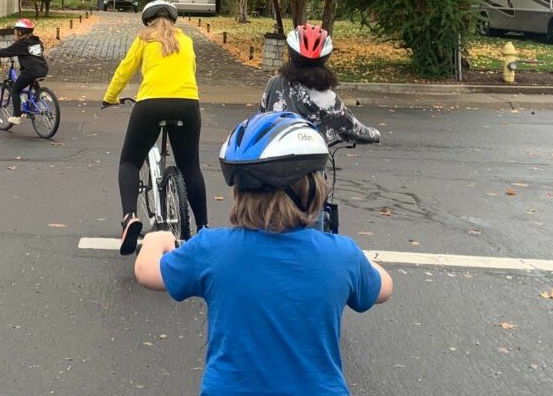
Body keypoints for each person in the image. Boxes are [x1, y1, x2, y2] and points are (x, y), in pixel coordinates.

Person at [134, 112, 393, 395]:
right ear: (313, 189)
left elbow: (146, 272)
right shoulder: (342, 256)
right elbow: (383, 288)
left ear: (240, 191)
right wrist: (358, 259)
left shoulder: (211, 249)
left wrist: (156, 239)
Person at [102, 0, 208, 255]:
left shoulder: (144, 40)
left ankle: (129, 218)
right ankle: (203, 228)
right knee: (190, 166)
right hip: (187, 104)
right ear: (173, 21)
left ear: (148, 21)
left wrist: (110, 97)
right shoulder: (187, 40)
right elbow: (191, 70)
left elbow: (124, 70)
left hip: (151, 104)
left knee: (129, 162)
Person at [260, 23, 381, 146]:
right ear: (324, 59)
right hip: (310, 160)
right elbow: (356, 129)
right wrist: (374, 134)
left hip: (271, 156)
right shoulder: (331, 101)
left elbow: (260, 119)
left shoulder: (275, 83)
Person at [0, 18, 47, 125]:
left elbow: (7, 51)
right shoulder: (37, 42)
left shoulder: (21, 43)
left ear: (20, 32)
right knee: (32, 79)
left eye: (16, 31)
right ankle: (40, 94)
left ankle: (16, 116)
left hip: (31, 71)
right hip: (43, 69)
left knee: (15, 90)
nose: (15, 34)